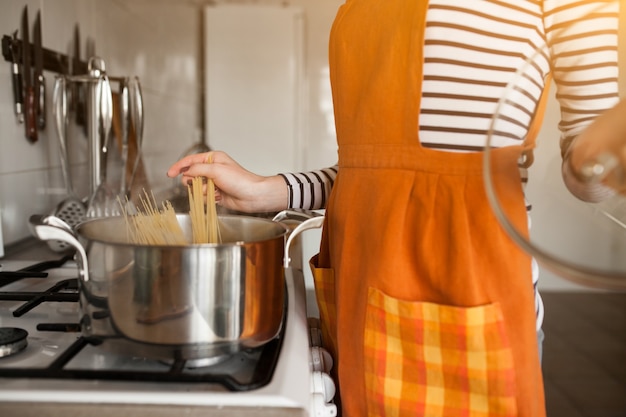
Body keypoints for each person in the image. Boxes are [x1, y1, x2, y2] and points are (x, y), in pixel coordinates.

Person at [168, 1, 621, 415]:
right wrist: (268, 191)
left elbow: (592, 167)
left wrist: (598, 162)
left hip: (462, 293)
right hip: (357, 288)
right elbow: (376, 169)